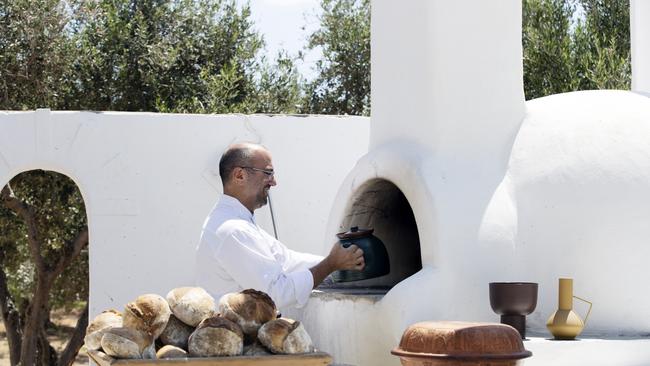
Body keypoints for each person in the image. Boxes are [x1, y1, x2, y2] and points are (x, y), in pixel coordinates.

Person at [195, 142, 364, 308]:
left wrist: (344, 260)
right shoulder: (234, 230)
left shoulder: (237, 221)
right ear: (239, 175)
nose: (273, 182)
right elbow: (274, 295)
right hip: (231, 334)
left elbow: (286, 260)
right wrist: (330, 264)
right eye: (268, 173)